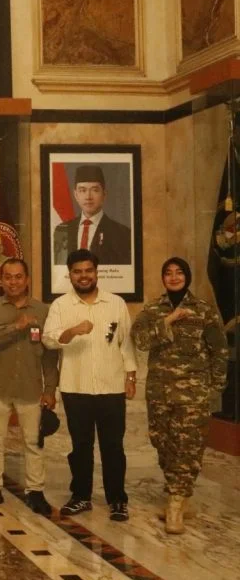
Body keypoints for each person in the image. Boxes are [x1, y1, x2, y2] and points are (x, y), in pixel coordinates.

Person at [131, 257, 228, 534]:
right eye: (168, 273)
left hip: (193, 394)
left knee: (189, 447)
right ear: (163, 278)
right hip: (160, 392)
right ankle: (179, 492)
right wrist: (168, 321)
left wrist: (214, 389)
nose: (174, 277)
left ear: (187, 276)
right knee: (162, 443)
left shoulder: (204, 310)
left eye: (179, 273)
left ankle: (175, 502)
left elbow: (219, 352)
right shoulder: (152, 310)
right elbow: (140, 340)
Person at [43, 249, 137, 522]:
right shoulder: (61, 306)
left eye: (88, 270)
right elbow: (49, 339)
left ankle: (117, 499)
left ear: (97, 272)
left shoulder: (115, 303)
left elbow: (126, 343)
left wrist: (130, 377)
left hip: (111, 388)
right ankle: (81, 496)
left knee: (113, 446)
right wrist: (72, 331)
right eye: (77, 271)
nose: (83, 276)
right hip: (76, 388)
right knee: (81, 445)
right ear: (70, 274)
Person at [0, 259, 60, 515]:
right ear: (1, 280)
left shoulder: (44, 311)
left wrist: (50, 389)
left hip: (30, 387)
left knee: (33, 443)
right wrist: (15, 327)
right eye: (8, 277)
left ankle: (35, 491)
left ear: (27, 279)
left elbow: (50, 354)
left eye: (18, 277)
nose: (13, 282)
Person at [53, 165, 132, 265]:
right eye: (83, 190)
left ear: (104, 194)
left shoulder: (123, 234)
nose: (88, 197)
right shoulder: (62, 230)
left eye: (95, 190)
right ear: (76, 195)